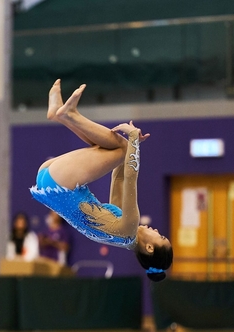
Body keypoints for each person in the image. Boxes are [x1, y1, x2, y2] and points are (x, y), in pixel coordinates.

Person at [30, 80, 173, 282]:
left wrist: (133, 140)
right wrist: (131, 147)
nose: (157, 231)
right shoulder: (120, 235)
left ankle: (68, 115)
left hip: (62, 183)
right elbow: (120, 175)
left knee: (122, 148)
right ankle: (61, 114)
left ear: (150, 248)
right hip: (49, 181)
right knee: (119, 150)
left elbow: (132, 179)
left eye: (161, 237)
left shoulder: (130, 228)